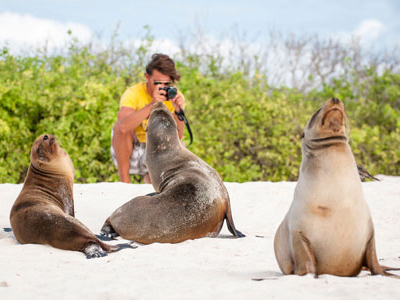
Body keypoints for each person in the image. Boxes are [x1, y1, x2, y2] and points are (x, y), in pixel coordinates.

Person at [111, 53, 185, 183]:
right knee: (119, 126)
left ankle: (152, 181)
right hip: (133, 149)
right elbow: (122, 127)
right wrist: (152, 105)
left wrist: (179, 112)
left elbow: (177, 137)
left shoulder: (174, 97)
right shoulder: (133, 93)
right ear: (147, 77)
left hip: (157, 150)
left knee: (178, 146)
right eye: (157, 82)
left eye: (167, 83)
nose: (162, 87)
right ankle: (124, 181)